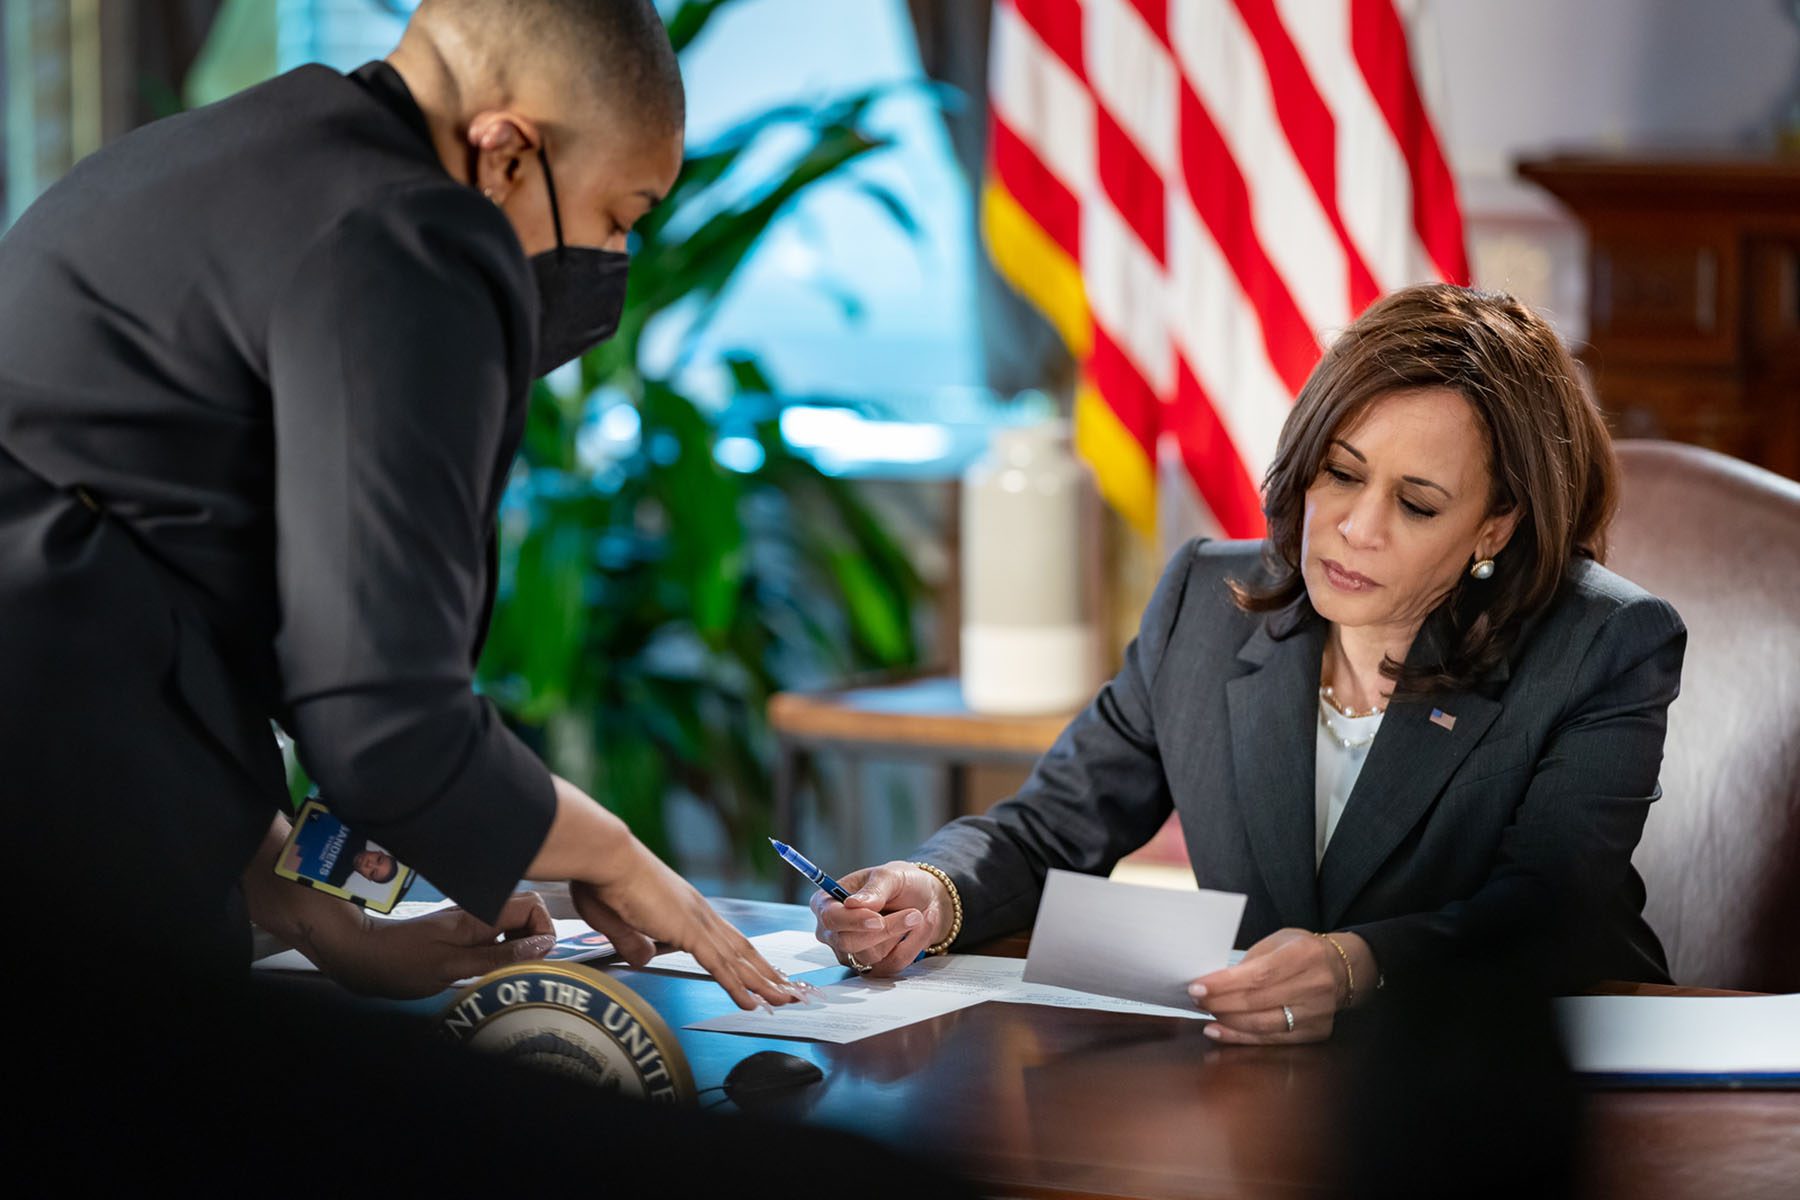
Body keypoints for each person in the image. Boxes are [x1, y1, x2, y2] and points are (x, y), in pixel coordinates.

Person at [0, 0, 798, 1010]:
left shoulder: (201, 162)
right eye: (618, 217)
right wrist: (615, 853)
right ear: (505, 153)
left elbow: (145, 570)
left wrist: (306, 910)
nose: (614, 262)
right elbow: (384, 724)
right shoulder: (411, 232)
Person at [811, 284, 1686, 1043]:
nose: (1358, 528)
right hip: (1275, 1077)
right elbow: (1051, 827)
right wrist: (928, 890)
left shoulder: (1603, 644)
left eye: (1417, 504)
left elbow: (1540, 910)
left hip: (1524, 1085)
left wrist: (1351, 966)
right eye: (1341, 475)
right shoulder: (1206, 601)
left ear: (1496, 527)